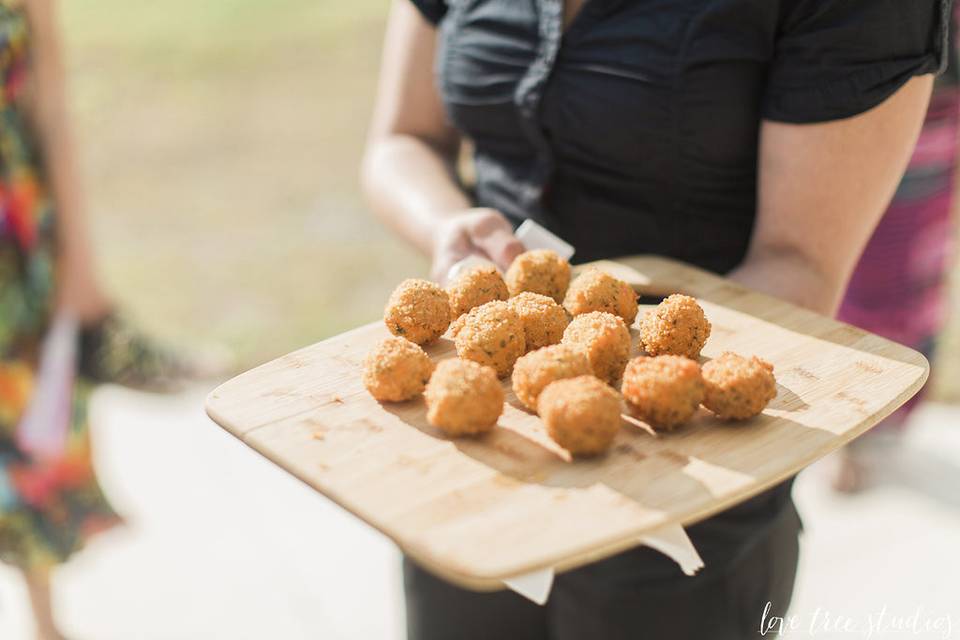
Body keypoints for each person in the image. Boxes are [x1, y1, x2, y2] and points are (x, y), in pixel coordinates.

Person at [361, 0, 947, 638]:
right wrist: (447, 224)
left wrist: (631, 386)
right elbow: (402, 140)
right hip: (478, 466)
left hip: (687, 481)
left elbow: (798, 263)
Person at [0, 2, 209, 638]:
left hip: (15, 247)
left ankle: (45, 624)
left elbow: (52, 114)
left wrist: (80, 271)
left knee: (30, 439)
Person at [833, 9, 959, 493]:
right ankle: (851, 434)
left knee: (919, 276)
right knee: (857, 277)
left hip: (938, 108)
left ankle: (889, 419)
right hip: (867, 96)